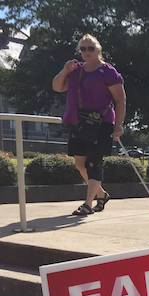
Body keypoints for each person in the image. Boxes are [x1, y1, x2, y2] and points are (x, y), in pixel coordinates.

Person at [52, 34, 125, 216]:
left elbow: (120, 99)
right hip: (80, 122)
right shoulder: (76, 70)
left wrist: (118, 125)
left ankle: (87, 204)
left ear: (98, 50)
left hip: (102, 122)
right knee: (79, 162)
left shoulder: (107, 71)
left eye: (90, 48)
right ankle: (102, 194)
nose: (86, 52)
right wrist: (64, 70)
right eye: (83, 49)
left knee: (94, 161)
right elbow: (57, 87)